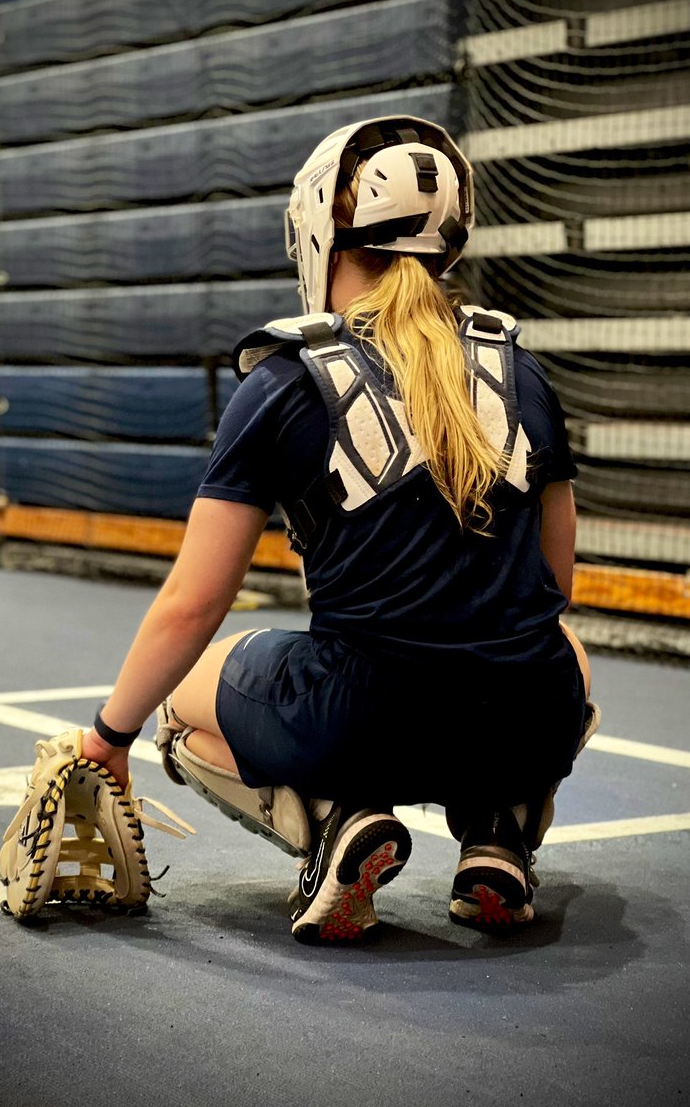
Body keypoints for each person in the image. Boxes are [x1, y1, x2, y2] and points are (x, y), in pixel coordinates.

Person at [80, 115, 594, 944]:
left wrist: (109, 736)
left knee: (184, 691)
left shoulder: (288, 377)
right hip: (529, 716)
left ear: (320, 232)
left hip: (362, 717)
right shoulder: (518, 365)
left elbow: (192, 601)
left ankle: (339, 823)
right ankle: (497, 833)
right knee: (562, 649)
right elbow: (554, 585)